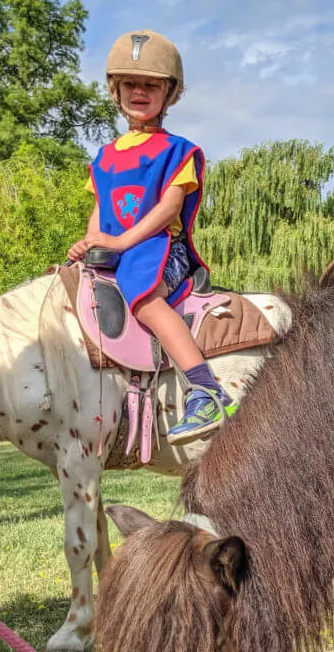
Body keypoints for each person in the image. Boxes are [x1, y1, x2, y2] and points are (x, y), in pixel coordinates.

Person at [68, 30, 236, 442]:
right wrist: (90, 244)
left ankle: (206, 390)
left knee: (142, 295)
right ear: (116, 90)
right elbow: (101, 213)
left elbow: (169, 209)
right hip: (120, 250)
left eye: (151, 85)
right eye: (130, 84)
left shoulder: (178, 151)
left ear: (169, 94)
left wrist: (123, 243)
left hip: (160, 247)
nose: (139, 92)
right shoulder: (105, 157)